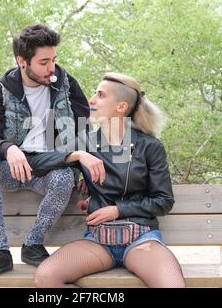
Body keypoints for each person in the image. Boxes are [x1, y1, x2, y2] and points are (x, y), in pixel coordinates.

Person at [34, 72, 186, 288]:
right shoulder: (84, 144)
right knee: (46, 277)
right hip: (98, 241)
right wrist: (77, 155)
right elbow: (37, 163)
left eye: (101, 95)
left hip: (141, 239)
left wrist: (117, 210)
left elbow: (163, 200)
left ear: (121, 107)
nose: (91, 100)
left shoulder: (149, 146)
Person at [0, 24, 89, 279]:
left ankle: (33, 244)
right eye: (44, 62)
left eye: (54, 60)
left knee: (64, 177)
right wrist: (9, 147)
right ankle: (0, 252)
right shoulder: (1, 89)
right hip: (13, 168)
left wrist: (85, 174)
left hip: (49, 166)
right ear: (22, 61)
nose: (51, 68)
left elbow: (83, 131)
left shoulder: (66, 85)